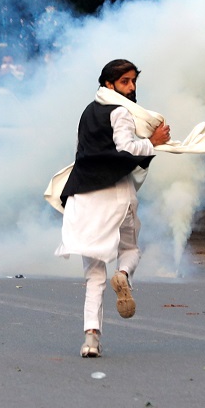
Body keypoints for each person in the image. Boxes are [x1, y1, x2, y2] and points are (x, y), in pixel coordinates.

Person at [54, 59, 170, 358]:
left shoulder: (88, 112)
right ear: (109, 84)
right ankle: (123, 274)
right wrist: (152, 142)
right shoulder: (121, 112)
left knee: (93, 276)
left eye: (133, 82)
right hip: (116, 194)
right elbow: (127, 149)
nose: (131, 88)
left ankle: (90, 340)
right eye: (125, 82)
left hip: (83, 197)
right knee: (130, 249)